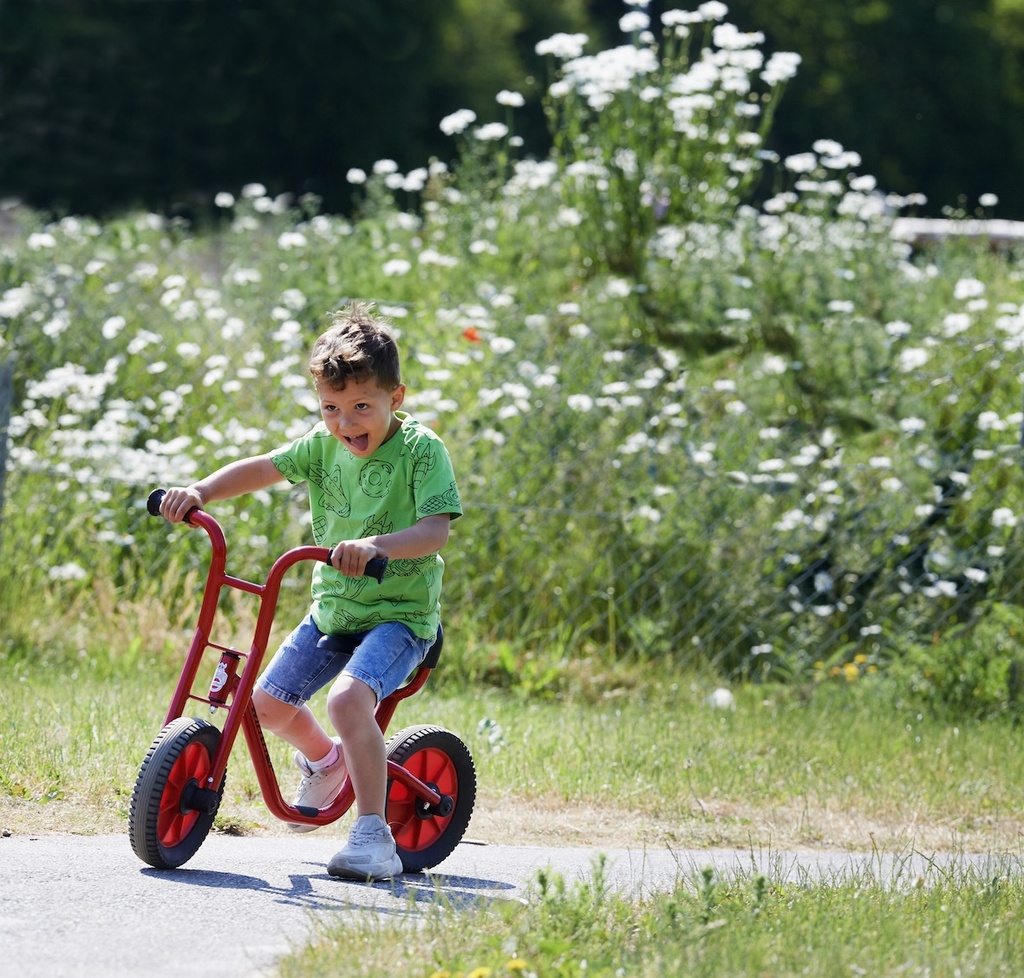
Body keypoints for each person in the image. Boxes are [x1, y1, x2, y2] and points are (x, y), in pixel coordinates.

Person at [158, 301, 462, 881]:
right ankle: (327, 762)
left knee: (349, 701)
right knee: (265, 705)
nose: (346, 423)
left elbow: (435, 531)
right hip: (334, 611)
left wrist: (377, 545)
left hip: (400, 617)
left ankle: (374, 835)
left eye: (361, 407)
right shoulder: (322, 446)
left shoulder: (422, 450)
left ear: (396, 399)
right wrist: (198, 490)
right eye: (331, 408)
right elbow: (265, 467)